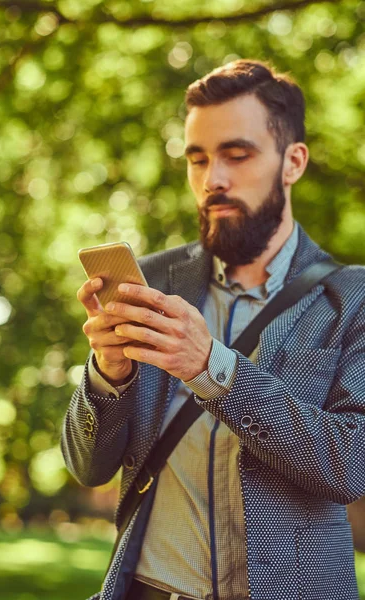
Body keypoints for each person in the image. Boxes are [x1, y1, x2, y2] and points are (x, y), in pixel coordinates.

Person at [61, 60, 365, 600]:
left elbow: (349, 466)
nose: (212, 180)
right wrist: (107, 375)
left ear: (293, 162)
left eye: (236, 154)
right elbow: (88, 467)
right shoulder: (153, 280)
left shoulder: (353, 297)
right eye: (197, 159)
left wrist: (211, 368)